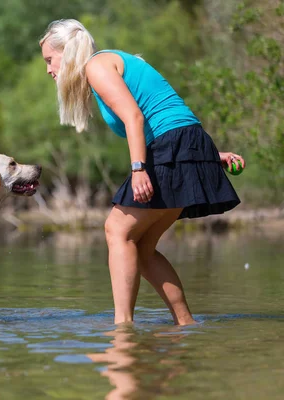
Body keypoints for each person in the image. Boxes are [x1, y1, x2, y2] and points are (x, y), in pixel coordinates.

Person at [39, 19, 244, 325]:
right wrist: (209, 156)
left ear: (66, 53)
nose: (48, 69)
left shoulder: (96, 66)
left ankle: (122, 328)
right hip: (185, 143)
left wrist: (138, 169)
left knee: (117, 230)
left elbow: (135, 117)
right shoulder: (109, 62)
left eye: (49, 60)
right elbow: (164, 115)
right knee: (143, 251)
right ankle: (185, 324)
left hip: (172, 145)